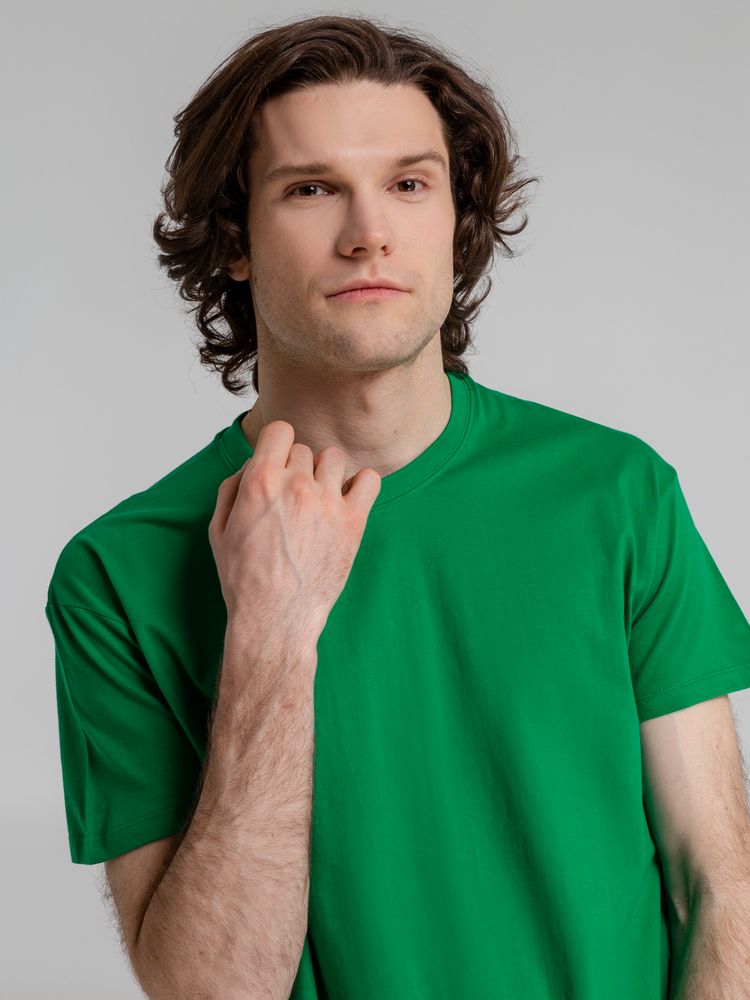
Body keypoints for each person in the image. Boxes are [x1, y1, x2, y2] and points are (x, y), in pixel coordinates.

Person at [44, 13, 750, 1000]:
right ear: (235, 239)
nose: (368, 232)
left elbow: (719, 888)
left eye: (409, 184)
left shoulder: (616, 493)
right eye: (311, 188)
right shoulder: (121, 572)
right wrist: (270, 638)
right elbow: (214, 991)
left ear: (456, 223)